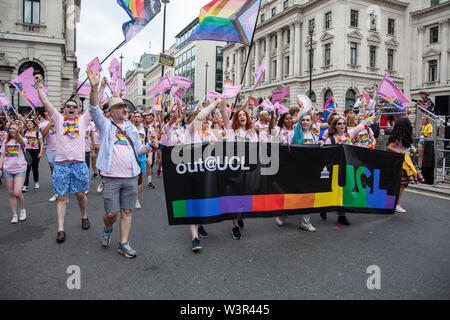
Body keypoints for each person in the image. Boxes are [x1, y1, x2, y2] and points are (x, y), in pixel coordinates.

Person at [87, 69, 158, 258]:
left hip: (131, 176)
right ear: (111, 112)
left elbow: (139, 149)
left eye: (124, 106)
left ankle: (123, 243)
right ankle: (108, 228)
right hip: (111, 177)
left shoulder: (131, 128)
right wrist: (95, 88)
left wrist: (150, 146)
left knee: (127, 210)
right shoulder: (105, 124)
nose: (124, 109)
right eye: (119, 106)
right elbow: (93, 108)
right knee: (111, 213)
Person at [34, 74, 91, 243]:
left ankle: (84, 216)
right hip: (61, 166)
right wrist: (38, 85)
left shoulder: (83, 120)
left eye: (74, 106)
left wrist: (99, 88)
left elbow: (95, 105)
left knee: (80, 194)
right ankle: (60, 228)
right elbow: (46, 102)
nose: (71, 108)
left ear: (78, 110)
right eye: (68, 106)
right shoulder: (58, 119)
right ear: (64, 109)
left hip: (79, 164)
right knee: (61, 197)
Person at [321, 115, 373, 225]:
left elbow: (361, 126)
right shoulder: (331, 139)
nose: (342, 125)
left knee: (344, 191)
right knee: (332, 191)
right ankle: (324, 208)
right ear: (335, 126)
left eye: (344, 123)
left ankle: (342, 215)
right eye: (339, 123)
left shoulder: (349, 135)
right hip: (335, 169)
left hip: (347, 168)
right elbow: (326, 156)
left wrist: (370, 118)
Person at [275, 112, 317, 232]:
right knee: (292, 195)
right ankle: (283, 215)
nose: (305, 122)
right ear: (299, 121)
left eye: (308, 120)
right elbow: (285, 151)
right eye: (303, 120)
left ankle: (305, 222)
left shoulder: (313, 136)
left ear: (311, 122)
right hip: (294, 170)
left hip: (309, 171)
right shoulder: (292, 134)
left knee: (308, 197)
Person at [220, 103, 257, 239]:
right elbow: (223, 112)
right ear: (236, 118)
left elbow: (255, 150)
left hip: (247, 169)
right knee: (234, 195)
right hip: (233, 169)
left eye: (244, 115)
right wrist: (224, 97)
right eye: (239, 115)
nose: (242, 116)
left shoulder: (252, 132)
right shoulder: (231, 129)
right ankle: (235, 225)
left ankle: (240, 214)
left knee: (244, 195)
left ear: (247, 118)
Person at [386, 118, 422, 213]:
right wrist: (400, 152)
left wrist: (413, 150)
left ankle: (394, 203)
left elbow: (411, 148)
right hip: (399, 163)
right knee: (401, 184)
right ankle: (395, 204)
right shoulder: (398, 138)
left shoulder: (406, 138)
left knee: (403, 184)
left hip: (406, 162)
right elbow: (389, 147)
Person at [0, 123, 27, 223]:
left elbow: (22, 143)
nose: (12, 130)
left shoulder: (22, 140)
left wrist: (18, 134)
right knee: (11, 193)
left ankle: (22, 209)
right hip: (7, 170)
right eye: (10, 129)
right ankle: (14, 214)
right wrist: (0, 168)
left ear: (18, 130)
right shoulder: (5, 141)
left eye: (14, 129)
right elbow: (2, 155)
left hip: (20, 169)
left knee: (17, 192)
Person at [39, 112, 58, 201]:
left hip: (61, 150)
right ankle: (55, 193)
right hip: (51, 150)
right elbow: (43, 133)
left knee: (62, 173)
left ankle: (63, 194)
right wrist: (50, 123)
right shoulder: (43, 124)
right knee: (54, 174)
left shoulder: (59, 121)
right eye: (47, 112)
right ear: (45, 114)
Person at [22, 119, 43, 192]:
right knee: (27, 167)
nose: (28, 124)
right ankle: (25, 185)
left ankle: (36, 181)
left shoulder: (37, 133)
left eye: (30, 123)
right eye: (27, 123)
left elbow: (41, 143)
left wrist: (40, 152)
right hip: (27, 151)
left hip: (36, 151)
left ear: (34, 125)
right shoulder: (24, 132)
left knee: (35, 167)